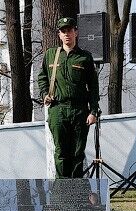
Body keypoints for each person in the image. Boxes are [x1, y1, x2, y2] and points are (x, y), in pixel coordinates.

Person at [38, 17, 100, 178]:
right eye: (63, 31)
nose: (67, 34)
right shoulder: (51, 55)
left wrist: (93, 111)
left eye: (70, 31)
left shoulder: (85, 57)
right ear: (59, 35)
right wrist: (45, 94)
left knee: (77, 154)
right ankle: (62, 196)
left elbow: (93, 86)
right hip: (57, 110)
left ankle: (76, 196)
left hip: (79, 111)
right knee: (61, 153)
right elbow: (42, 77)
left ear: (76, 32)